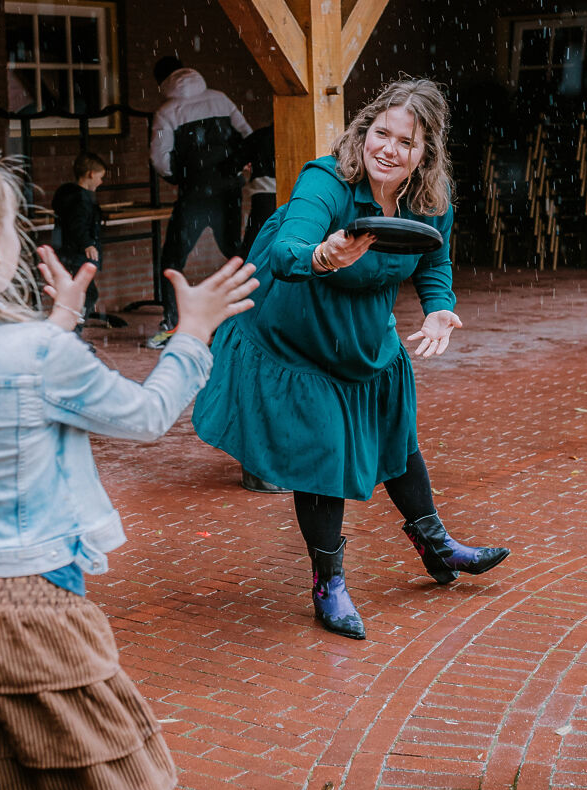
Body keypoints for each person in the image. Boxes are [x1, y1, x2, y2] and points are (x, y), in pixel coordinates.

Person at [0, 134, 258, 790]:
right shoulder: (39, 353)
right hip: (29, 607)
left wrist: (62, 319)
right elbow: (144, 416)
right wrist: (193, 333)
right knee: (110, 783)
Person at [192, 78, 510, 640]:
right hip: (299, 333)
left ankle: (436, 546)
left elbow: (433, 263)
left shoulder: (431, 204)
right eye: (380, 133)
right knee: (324, 455)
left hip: (365, 334)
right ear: (364, 132)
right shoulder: (327, 182)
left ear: (424, 156)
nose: (388, 149)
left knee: (396, 433)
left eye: (405, 143)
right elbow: (291, 247)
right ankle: (328, 583)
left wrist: (439, 309)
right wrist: (322, 253)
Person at [147, 55, 252, 349]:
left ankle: (172, 323)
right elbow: (247, 135)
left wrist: (178, 177)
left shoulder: (167, 111)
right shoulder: (220, 98)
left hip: (193, 193)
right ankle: (253, 315)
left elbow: (159, 157)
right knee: (236, 252)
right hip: (229, 189)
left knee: (173, 260)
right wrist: (237, 166)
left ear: (162, 83)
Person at [51, 151, 105, 334]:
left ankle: (73, 330)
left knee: (79, 292)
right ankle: (73, 331)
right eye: (100, 177)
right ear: (90, 174)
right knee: (88, 294)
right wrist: (88, 243)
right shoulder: (82, 199)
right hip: (77, 254)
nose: (101, 182)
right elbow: (78, 225)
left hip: (66, 251)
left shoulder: (67, 196)